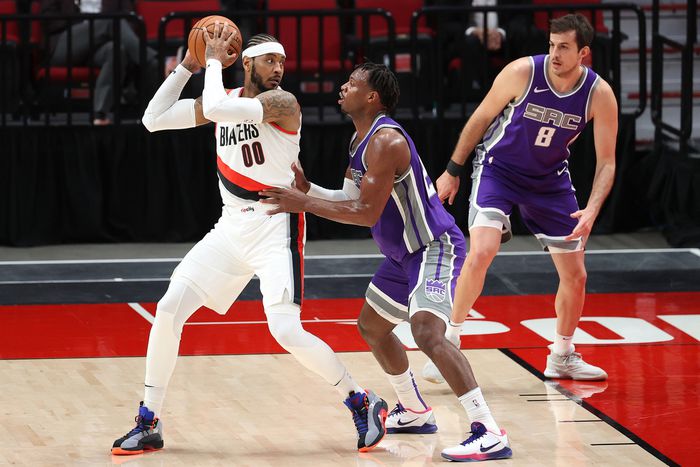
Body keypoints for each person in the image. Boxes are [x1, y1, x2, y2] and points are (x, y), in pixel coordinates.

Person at [111, 25, 388, 456]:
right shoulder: (223, 98)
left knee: (285, 329)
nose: (278, 68)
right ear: (247, 62)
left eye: (282, 61)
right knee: (168, 309)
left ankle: (361, 400)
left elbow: (217, 108)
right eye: (270, 60)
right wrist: (189, 64)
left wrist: (213, 62)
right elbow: (153, 119)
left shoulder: (282, 103)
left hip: (276, 226)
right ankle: (149, 420)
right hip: (230, 229)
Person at [260, 62, 512, 462]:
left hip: (433, 246)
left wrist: (303, 203)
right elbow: (350, 198)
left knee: (427, 332)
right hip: (401, 256)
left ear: (372, 97)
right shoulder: (359, 139)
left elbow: (365, 214)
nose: (343, 88)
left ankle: (488, 429)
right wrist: (311, 191)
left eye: (352, 84)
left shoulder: (386, 141)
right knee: (372, 327)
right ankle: (413, 409)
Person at [431, 13, 617, 383]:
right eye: (552, 45)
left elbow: (607, 162)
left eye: (564, 47)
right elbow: (481, 117)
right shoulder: (522, 72)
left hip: (549, 180)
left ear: (583, 53)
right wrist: (452, 169)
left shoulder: (599, 94)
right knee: (482, 250)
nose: (555, 54)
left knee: (576, 274)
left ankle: (562, 355)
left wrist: (593, 208)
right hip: (498, 169)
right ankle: (448, 342)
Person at [40, 0, 158, 125]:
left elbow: (130, 19)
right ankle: (154, 62)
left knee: (116, 50)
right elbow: (48, 19)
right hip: (66, 43)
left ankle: (100, 114)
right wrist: (89, 25)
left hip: (100, 45)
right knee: (111, 21)